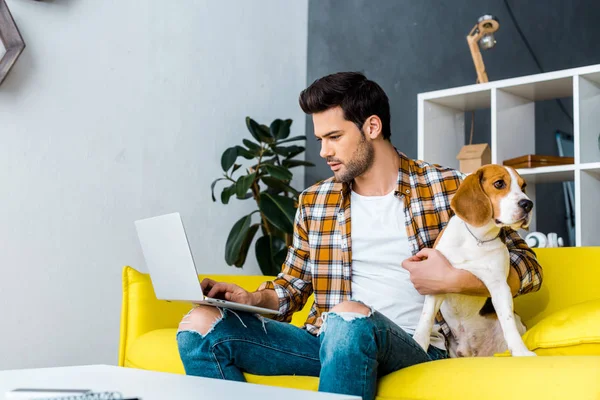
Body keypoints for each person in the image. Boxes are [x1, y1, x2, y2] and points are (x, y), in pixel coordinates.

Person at [176, 72, 543, 400]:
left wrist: (454, 280)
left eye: (334, 137)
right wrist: (252, 297)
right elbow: (291, 288)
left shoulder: (446, 187)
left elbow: (528, 268)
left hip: (415, 345)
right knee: (199, 325)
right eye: (321, 138)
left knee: (348, 318)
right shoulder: (315, 201)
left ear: (371, 127)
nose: (324, 151)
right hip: (328, 342)